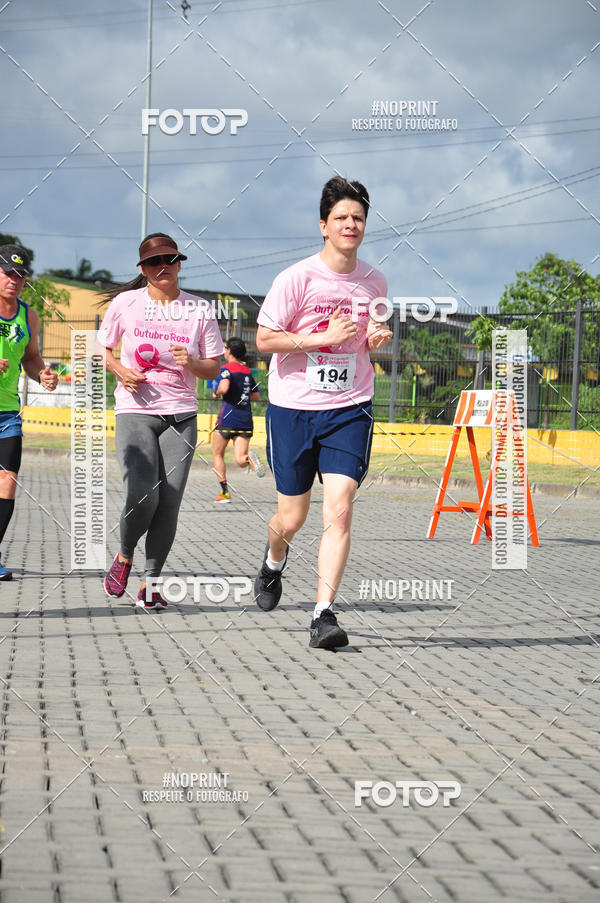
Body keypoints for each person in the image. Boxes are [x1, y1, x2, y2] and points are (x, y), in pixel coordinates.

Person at [254, 177, 392, 649]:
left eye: (357, 218)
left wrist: (377, 337)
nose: (350, 224)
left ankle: (323, 615)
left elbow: (374, 328)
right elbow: (265, 340)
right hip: (293, 407)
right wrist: (321, 338)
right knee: (290, 520)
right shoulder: (297, 279)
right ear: (323, 226)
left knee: (340, 509)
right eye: (341, 218)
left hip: (349, 406)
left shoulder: (374, 280)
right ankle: (274, 562)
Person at [98, 233, 223, 609]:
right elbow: (100, 346)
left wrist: (193, 362)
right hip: (135, 409)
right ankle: (124, 556)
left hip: (181, 414)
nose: (163, 266)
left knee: (169, 501)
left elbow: (213, 367)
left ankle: (150, 584)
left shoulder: (199, 309)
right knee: (142, 494)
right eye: (154, 262)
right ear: (143, 269)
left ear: (180, 262)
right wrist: (120, 369)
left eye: (169, 259)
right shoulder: (126, 303)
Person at [0, 245, 58, 581]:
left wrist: (43, 374)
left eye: (21, 275)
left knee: (8, 483)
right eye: (9, 273)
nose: (15, 280)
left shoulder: (28, 316)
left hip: (7, 413)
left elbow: (31, 357)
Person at [211, 337, 265, 504]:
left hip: (227, 418)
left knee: (217, 455)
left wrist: (217, 393)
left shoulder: (226, 369)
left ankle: (224, 492)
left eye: (225, 348)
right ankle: (250, 459)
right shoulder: (247, 371)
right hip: (245, 419)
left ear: (229, 351)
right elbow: (255, 396)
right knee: (240, 460)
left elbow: (224, 387)